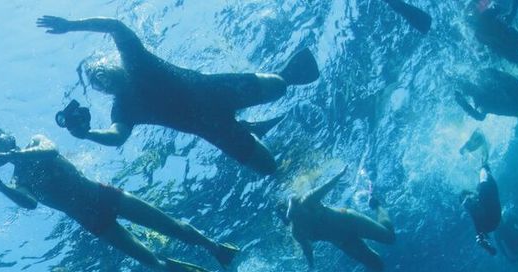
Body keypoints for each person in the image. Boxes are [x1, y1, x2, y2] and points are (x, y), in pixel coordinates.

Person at [36, 15, 319, 175]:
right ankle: (248, 129)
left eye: (101, 71)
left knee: (280, 86)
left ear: (112, 64)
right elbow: (118, 136)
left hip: (219, 91)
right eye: (97, 82)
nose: (102, 78)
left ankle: (258, 113)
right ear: (102, 92)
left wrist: (71, 25)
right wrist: (87, 135)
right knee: (270, 168)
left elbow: (115, 26)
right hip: (212, 128)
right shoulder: (123, 108)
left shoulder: (135, 60)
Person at [0, 126, 237, 272]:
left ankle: (215, 248)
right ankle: (170, 268)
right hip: (90, 219)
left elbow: (50, 150)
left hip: (104, 195)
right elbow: (28, 203)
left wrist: (12, 156)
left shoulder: (34, 142)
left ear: (8, 135)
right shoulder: (18, 180)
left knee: (172, 227)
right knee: (148, 260)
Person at [286, 167, 396, 272]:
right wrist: (310, 265)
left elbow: (327, 186)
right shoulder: (297, 232)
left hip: (351, 221)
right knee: (376, 265)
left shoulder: (307, 201)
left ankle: (376, 205)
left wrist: (341, 173)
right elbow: (307, 250)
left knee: (389, 238)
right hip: (343, 241)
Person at [454, 67, 518, 120]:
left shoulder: (483, 103)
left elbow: (480, 116)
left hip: (497, 91)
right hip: (498, 93)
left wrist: (464, 104)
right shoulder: (483, 103)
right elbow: (480, 116)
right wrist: (464, 104)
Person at [468, 0, 518, 65]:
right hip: (509, 45)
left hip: (508, 48)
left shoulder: (480, 27)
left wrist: (511, 13)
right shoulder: (484, 21)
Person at [462, 163, 502, 255]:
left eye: (468, 200)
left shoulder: (483, 192)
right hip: (493, 219)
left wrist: (483, 168)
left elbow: (483, 180)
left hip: (490, 195)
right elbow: (492, 251)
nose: (471, 208)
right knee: (483, 180)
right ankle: (484, 166)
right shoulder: (476, 217)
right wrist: (486, 246)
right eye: (467, 206)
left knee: (483, 180)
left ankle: (484, 165)